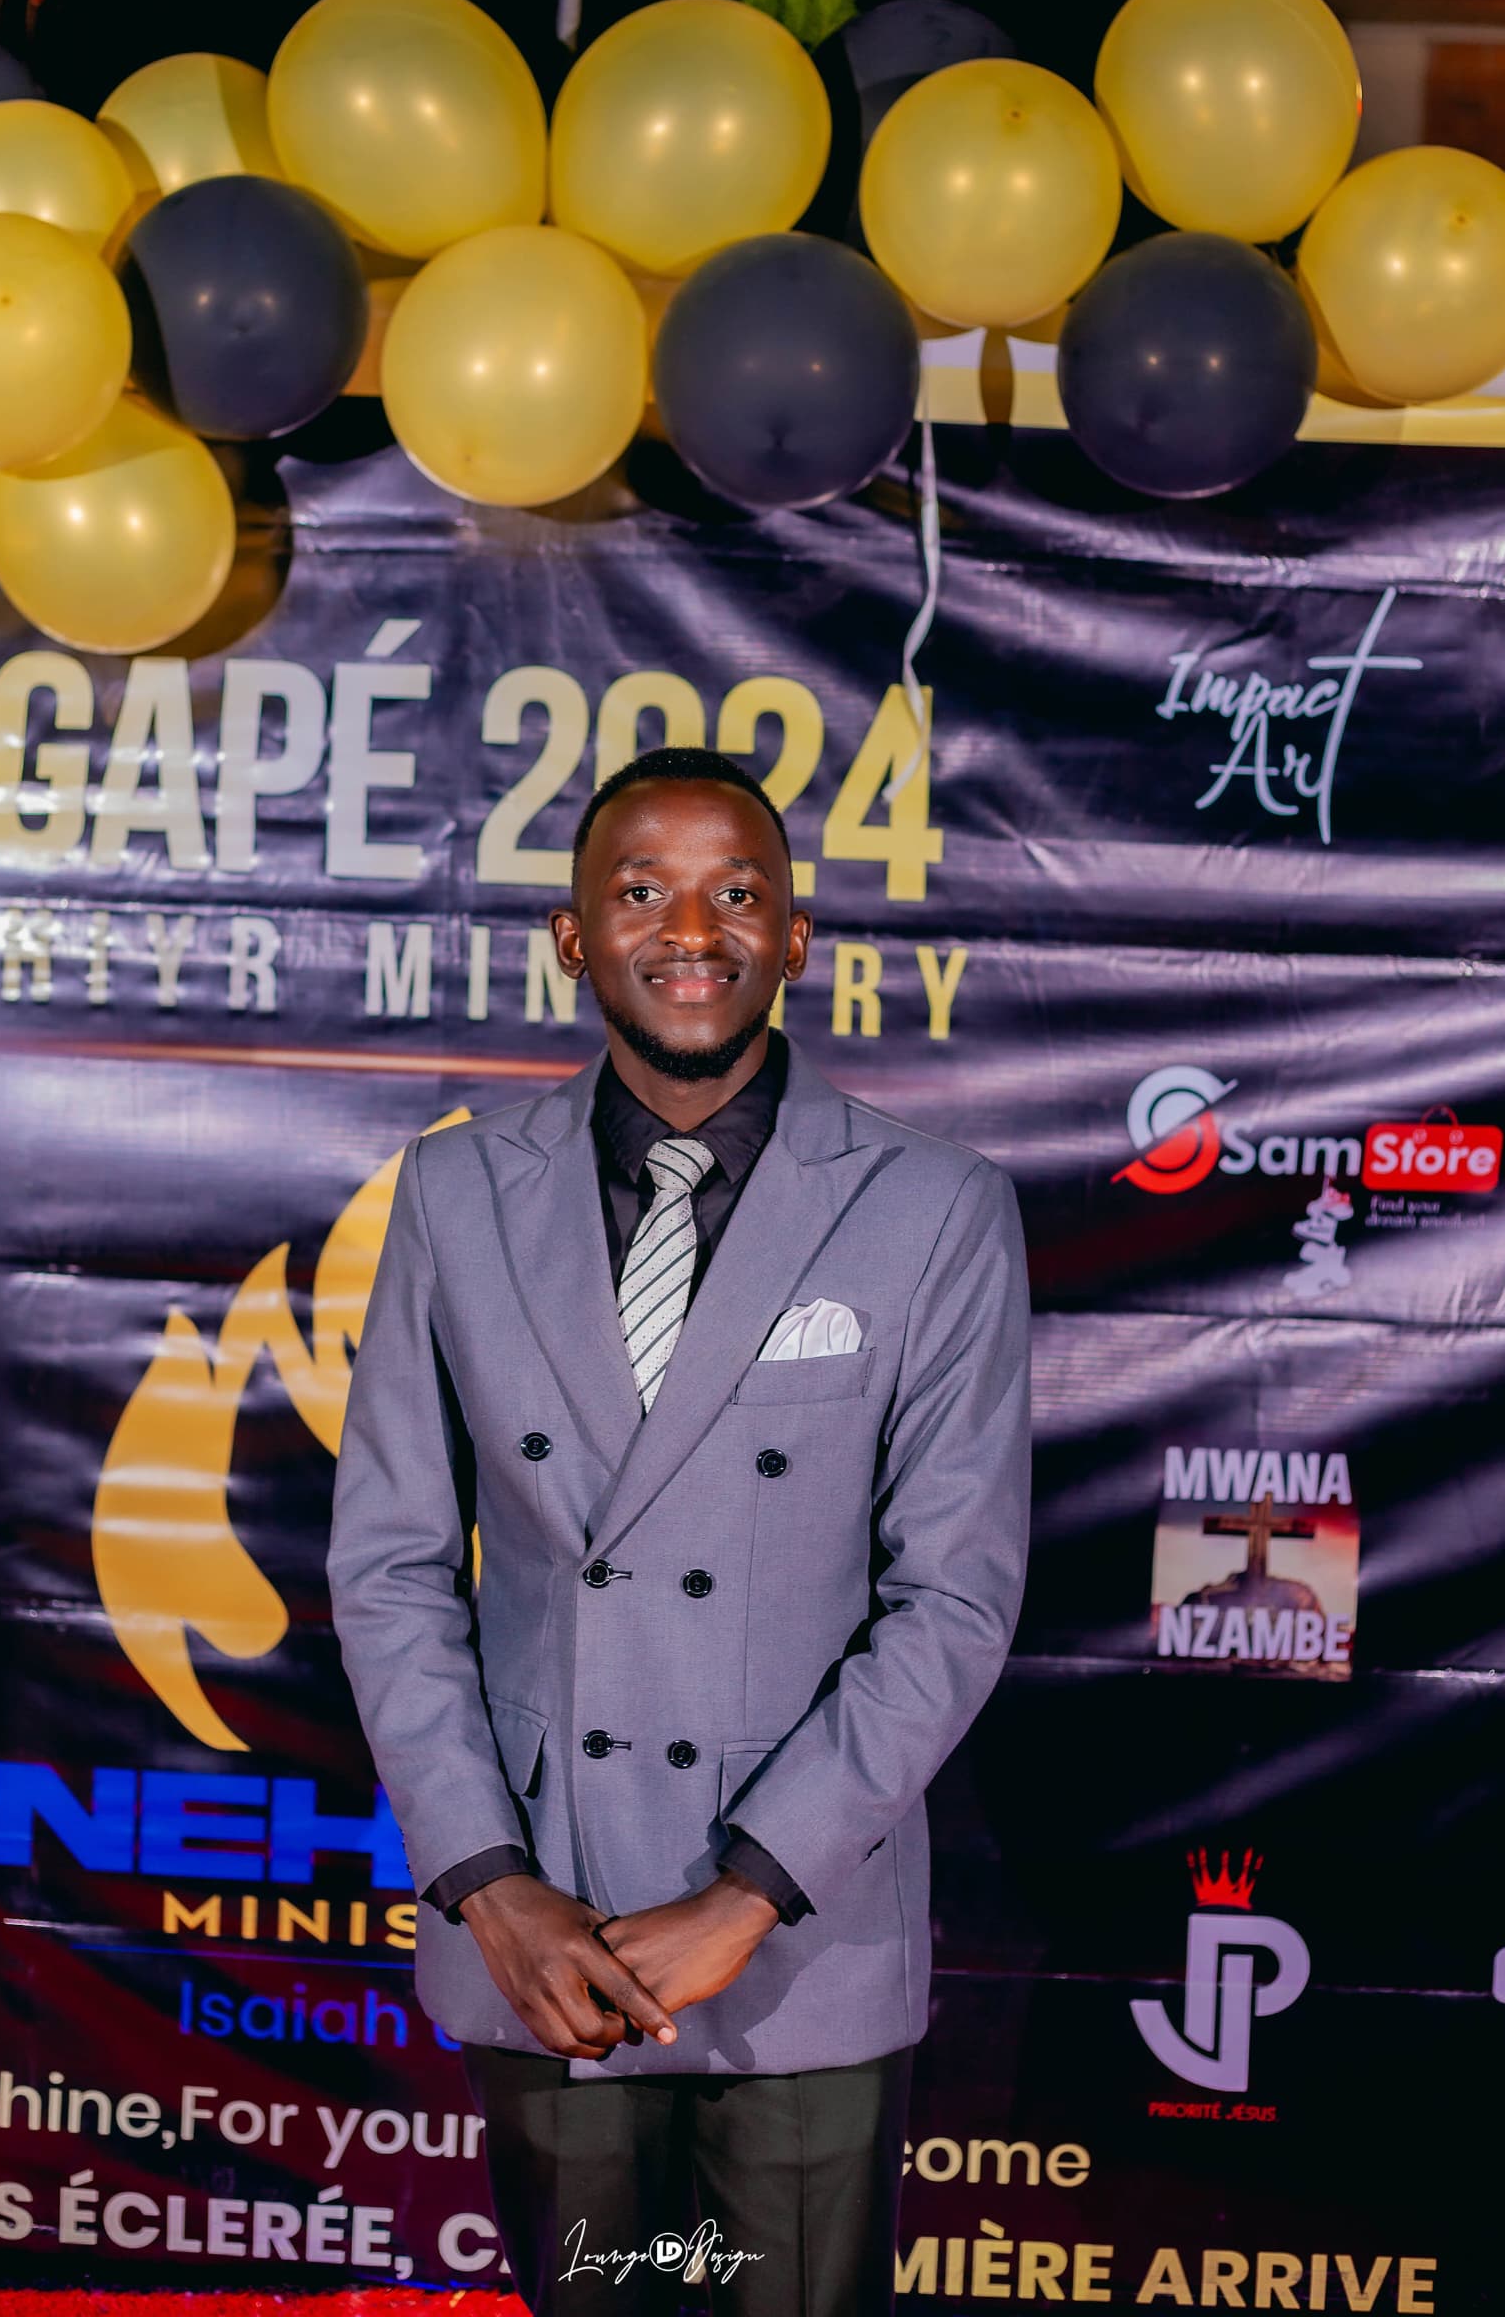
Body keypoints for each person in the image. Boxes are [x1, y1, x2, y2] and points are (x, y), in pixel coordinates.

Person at [328, 745, 1032, 2314]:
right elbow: (389, 1570)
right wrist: (488, 1883)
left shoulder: (932, 1209)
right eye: (640, 891)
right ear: (572, 938)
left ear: (795, 938)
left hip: (798, 1937)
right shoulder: (454, 1197)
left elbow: (952, 1599)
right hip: (548, 1928)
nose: (691, 929)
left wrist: (745, 1895)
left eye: (737, 893)